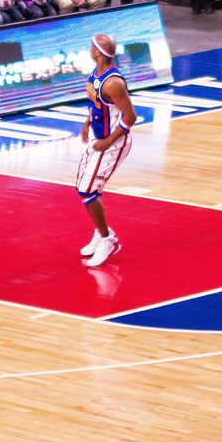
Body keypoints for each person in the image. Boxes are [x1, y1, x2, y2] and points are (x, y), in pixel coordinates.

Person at [77, 33, 138, 268]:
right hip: (98, 135)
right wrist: (87, 123)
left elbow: (130, 117)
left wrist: (108, 141)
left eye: (91, 46)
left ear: (98, 52)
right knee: (83, 187)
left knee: (87, 190)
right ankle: (100, 232)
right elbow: (95, 103)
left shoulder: (113, 83)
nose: (89, 49)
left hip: (112, 141)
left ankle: (107, 239)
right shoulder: (95, 73)